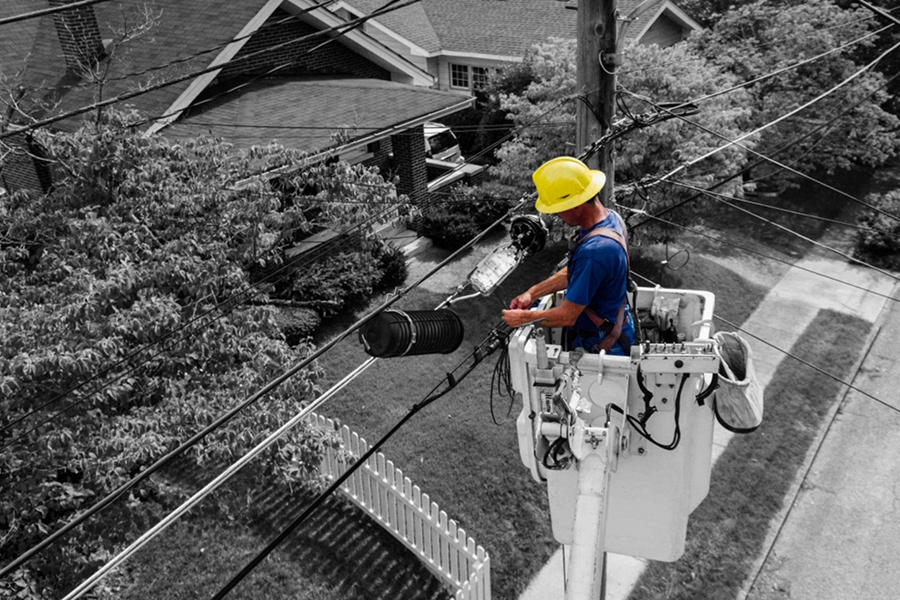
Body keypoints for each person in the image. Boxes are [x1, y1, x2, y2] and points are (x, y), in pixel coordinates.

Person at [502, 156, 635, 356]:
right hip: (613, 326)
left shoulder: (595, 251)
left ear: (575, 206)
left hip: (603, 343)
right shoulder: (610, 219)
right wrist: (533, 292)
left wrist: (523, 318)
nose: (557, 216)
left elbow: (567, 316)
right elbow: (575, 274)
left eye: (558, 210)